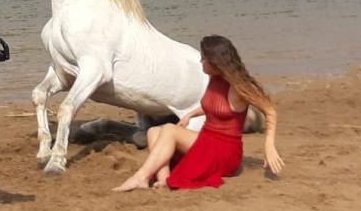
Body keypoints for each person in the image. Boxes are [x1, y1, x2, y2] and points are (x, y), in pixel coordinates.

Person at [113, 35, 284, 192]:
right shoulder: (214, 78)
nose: (201, 61)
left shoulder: (239, 87)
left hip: (224, 151)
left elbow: (270, 111)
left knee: (169, 130)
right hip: (206, 140)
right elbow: (214, 106)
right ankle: (163, 178)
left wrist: (269, 146)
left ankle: (140, 177)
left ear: (215, 61)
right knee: (153, 131)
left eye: (204, 58)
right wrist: (190, 115)